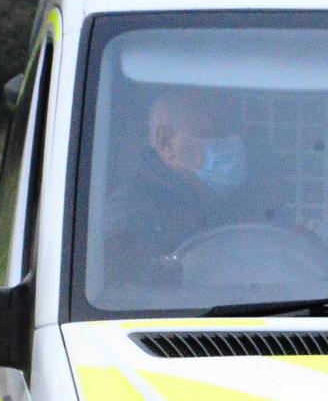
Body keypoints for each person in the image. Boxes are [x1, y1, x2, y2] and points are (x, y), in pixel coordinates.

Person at [99, 89, 290, 278]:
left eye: (233, 131)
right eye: (214, 132)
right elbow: (124, 291)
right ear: (166, 144)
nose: (233, 142)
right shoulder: (129, 216)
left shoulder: (253, 199)